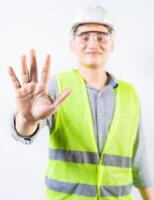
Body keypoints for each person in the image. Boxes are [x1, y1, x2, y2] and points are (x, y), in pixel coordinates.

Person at [8, 5, 154, 200]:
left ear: (113, 44)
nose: (93, 43)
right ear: (72, 45)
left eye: (101, 37)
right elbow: (24, 132)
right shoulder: (55, 87)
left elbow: (139, 162)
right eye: (84, 37)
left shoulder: (130, 94)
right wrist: (27, 119)